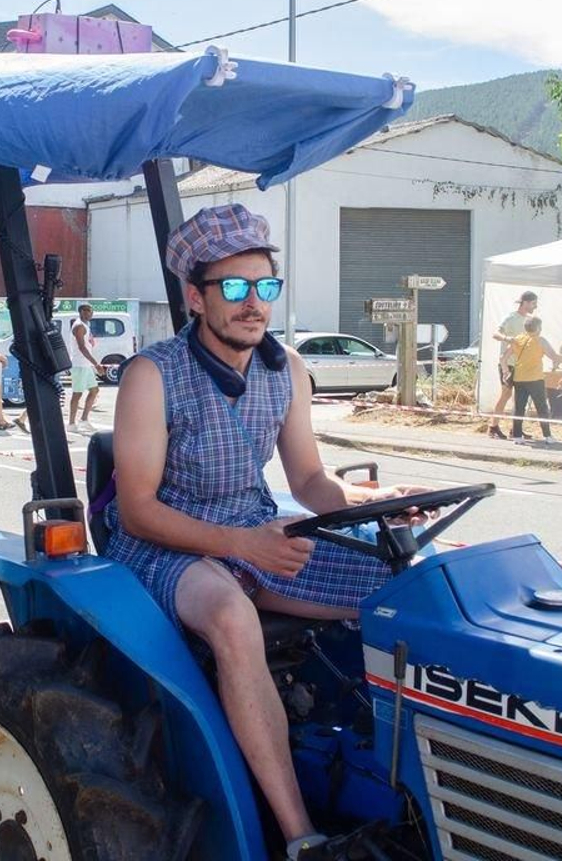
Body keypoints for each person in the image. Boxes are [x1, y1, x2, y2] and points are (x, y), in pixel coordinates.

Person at [107, 204, 423, 860]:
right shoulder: (152, 374)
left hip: (255, 533)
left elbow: (309, 480)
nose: (254, 304)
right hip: (163, 546)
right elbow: (136, 509)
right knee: (229, 614)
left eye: (265, 287)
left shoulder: (286, 372)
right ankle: (299, 831)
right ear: (196, 297)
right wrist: (240, 547)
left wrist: (375, 501)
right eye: (234, 287)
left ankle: (398, 783)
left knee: (409, 583)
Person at [505, 316, 562, 443]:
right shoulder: (540, 340)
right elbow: (554, 356)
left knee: (519, 407)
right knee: (541, 407)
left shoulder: (518, 339)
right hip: (535, 378)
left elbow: (503, 357)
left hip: (519, 378)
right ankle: (547, 435)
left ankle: (517, 436)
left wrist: (505, 371)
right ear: (538, 327)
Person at [487, 291, 537, 439]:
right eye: (533, 303)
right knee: (506, 394)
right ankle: (493, 426)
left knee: (520, 397)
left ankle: (516, 428)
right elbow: (496, 334)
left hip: (523, 364)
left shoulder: (531, 320)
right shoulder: (511, 317)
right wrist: (508, 339)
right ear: (525, 302)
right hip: (508, 363)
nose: (535, 306)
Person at [67, 303, 105, 433]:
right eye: (88, 311)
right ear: (81, 312)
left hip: (85, 365)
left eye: (91, 311)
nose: (91, 313)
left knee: (94, 390)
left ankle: (84, 420)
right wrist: (96, 364)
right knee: (77, 394)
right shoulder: (79, 326)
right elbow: (81, 347)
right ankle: (71, 424)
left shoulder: (85, 326)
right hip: (79, 365)